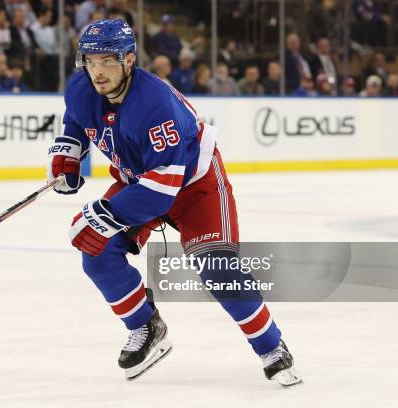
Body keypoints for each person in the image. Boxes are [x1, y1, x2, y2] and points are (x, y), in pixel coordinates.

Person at [46, 19, 301, 386]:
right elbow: (76, 120)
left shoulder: (155, 103)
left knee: (217, 268)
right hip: (140, 180)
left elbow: (162, 189)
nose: (96, 71)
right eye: (90, 60)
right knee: (96, 252)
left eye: (106, 61)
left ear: (129, 59)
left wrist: (102, 214)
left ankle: (271, 348)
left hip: (195, 186)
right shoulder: (80, 87)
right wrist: (69, 154)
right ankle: (146, 326)